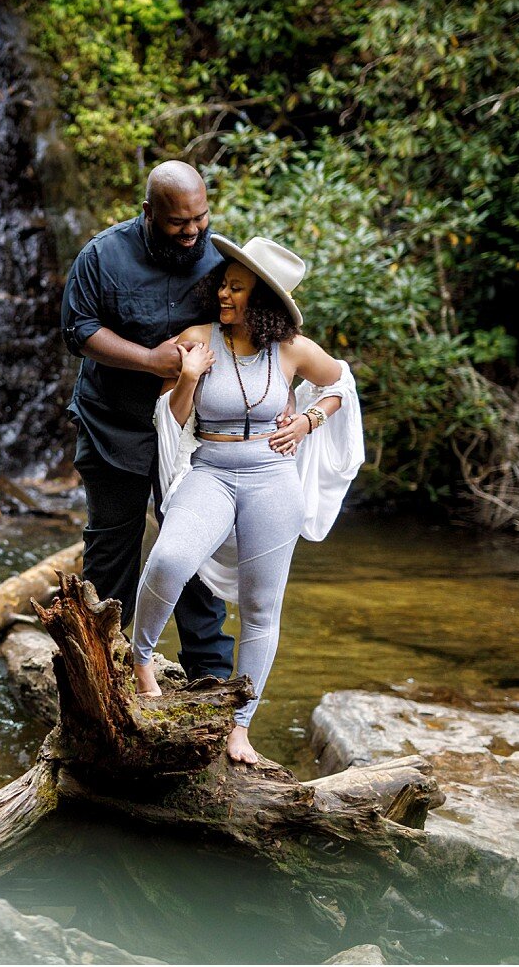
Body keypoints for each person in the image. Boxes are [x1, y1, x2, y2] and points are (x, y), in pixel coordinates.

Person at [130, 236, 363, 765]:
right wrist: (187, 377)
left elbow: (341, 384)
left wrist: (308, 420)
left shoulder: (292, 349)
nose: (223, 294)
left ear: (263, 300)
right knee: (169, 559)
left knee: (262, 609)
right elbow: (177, 418)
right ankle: (141, 660)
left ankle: (240, 728)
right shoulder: (197, 337)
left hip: (273, 480)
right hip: (210, 470)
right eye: (223, 284)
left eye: (236, 288)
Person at [60, 161, 234, 682]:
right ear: (148, 213)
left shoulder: (221, 256)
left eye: (200, 218)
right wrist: (150, 360)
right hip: (115, 424)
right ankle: (101, 679)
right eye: (178, 223)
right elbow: (79, 329)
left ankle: (211, 685)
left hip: (193, 432)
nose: (192, 232)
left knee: (196, 554)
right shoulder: (102, 256)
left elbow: (254, 322)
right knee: (112, 553)